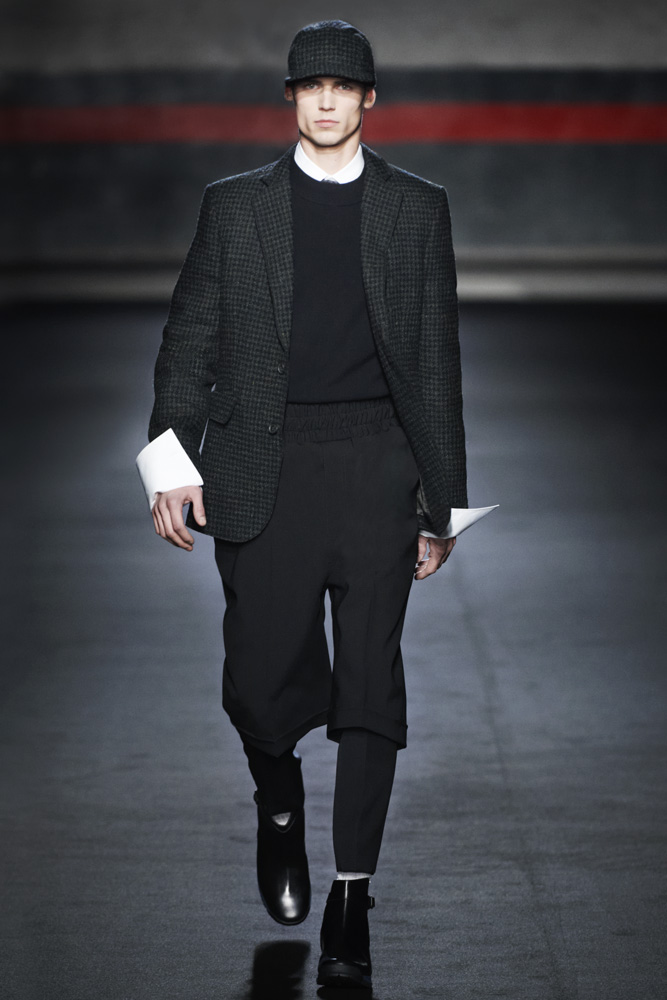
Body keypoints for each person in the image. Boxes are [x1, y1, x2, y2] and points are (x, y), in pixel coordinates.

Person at [136, 19, 467, 991]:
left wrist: (440, 502)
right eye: (310, 85)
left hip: (376, 465)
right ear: (290, 97)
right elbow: (189, 337)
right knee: (259, 680)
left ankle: (351, 894)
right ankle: (278, 804)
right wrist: (169, 462)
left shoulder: (417, 208)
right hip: (261, 468)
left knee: (370, 686)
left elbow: (435, 361)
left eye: (343, 86)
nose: (326, 100)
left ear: (369, 99)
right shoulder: (235, 206)